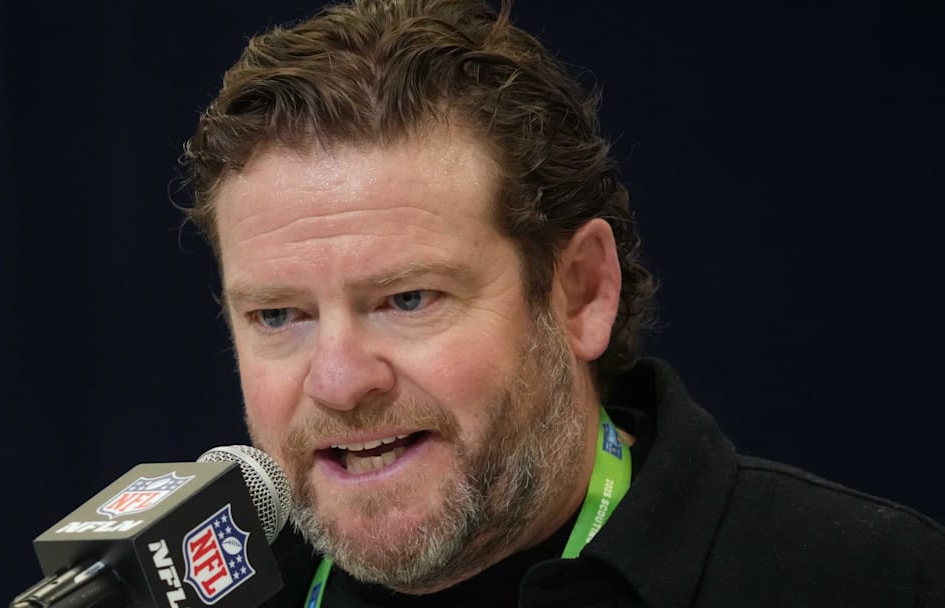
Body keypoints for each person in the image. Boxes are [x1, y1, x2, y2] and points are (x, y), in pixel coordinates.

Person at [180, 0, 945, 605]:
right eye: (278, 316)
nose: (340, 382)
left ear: (581, 292)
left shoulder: (871, 579)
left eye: (407, 298)